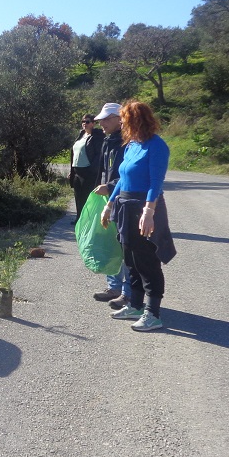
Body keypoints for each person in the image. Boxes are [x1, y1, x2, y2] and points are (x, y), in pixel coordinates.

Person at [100, 101, 176, 332]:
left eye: (125, 119)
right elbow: (122, 178)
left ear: (136, 120)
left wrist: (149, 212)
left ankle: (153, 314)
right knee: (130, 259)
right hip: (125, 207)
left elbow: (156, 182)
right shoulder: (132, 145)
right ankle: (135, 305)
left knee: (147, 261)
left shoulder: (157, 146)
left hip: (145, 207)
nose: (121, 122)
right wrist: (109, 205)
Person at [89, 102, 133, 309]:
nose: (102, 123)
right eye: (101, 119)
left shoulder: (127, 142)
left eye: (107, 119)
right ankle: (113, 287)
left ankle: (127, 292)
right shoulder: (108, 141)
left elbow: (128, 175)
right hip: (107, 198)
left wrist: (110, 186)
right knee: (109, 241)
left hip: (122, 198)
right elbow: (103, 171)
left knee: (124, 245)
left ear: (119, 119)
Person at [68, 113, 104, 223]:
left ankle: (88, 221)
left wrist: (92, 169)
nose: (84, 124)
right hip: (77, 171)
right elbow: (74, 154)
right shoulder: (81, 135)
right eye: (83, 121)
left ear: (93, 123)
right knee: (78, 197)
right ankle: (79, 219)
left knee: (87, 197)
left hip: (88, 172)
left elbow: (99, 155)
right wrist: (71, 171)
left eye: (87, 122)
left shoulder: (97, 136)